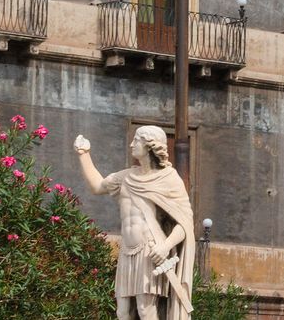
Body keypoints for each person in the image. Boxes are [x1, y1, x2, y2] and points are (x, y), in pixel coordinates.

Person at [75, 127, 195, 320]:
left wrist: (166, 246)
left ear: (149, 146)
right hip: (127, 251)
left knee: (145, 309)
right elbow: (97, 186)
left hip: (150, 250)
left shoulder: (169, 179)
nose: (131, 144)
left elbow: (185, 223)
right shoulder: (126, 177)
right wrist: (83, 154)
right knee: (122, 312)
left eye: (136, 140)